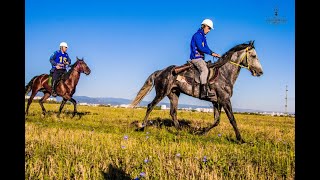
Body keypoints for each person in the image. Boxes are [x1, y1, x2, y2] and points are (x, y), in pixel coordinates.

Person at [190, 18, 221, 99]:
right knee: (205, 70)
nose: (209, 30)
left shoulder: (203, 37)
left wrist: (214, 53)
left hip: (201, 59)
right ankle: (203, 92)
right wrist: (212, 53)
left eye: (210, 28)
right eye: (209, 28)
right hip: (196, 58)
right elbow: (201, 48)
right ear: (204, 26)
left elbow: (207, 48)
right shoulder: (197, 35)